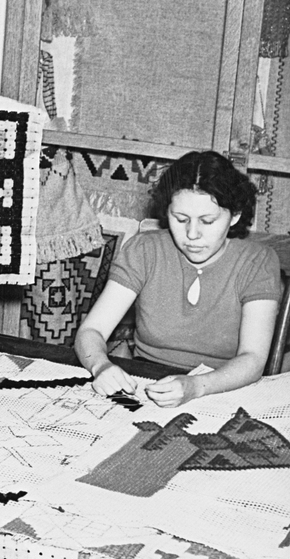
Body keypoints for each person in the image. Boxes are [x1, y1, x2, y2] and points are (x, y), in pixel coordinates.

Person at [75, 150, 282, 408]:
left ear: (236, 215)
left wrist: (195, 386)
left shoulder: (257, 262)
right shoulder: (145, 251)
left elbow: (253, 359)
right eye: (180, 219)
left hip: (224, 389)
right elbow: (92, 330)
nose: (191, 234)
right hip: (148, 379)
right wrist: (101, 365)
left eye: (207, 221)